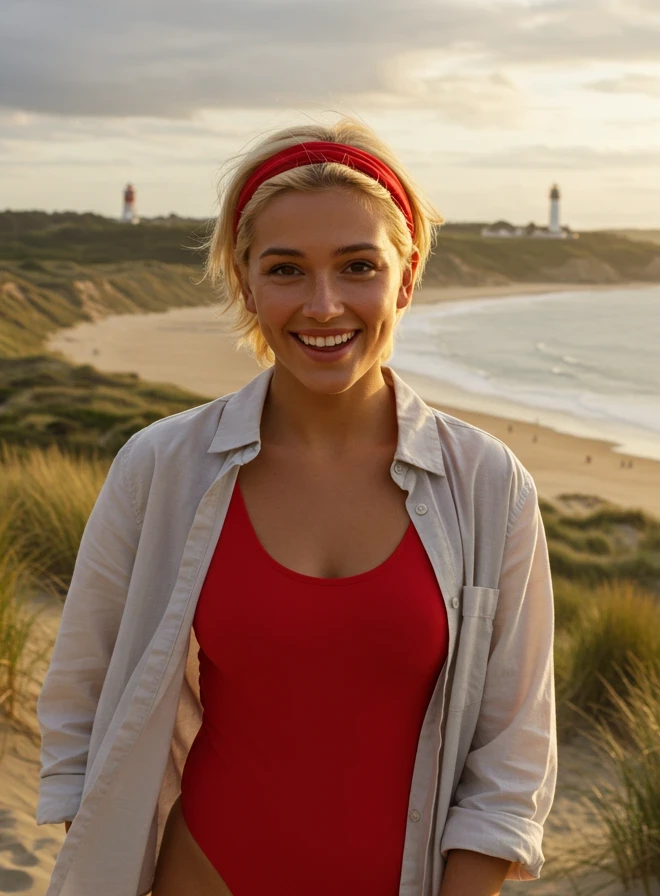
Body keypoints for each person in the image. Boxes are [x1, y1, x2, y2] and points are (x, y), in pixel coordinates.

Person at [36, 115, 558, 896]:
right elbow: (80, 704)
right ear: (245, 282)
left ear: (405, 278)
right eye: (286, 270)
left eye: (357, 266)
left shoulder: (489, 486)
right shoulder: (161, 468)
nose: (323, 306)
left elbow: (513, 759)